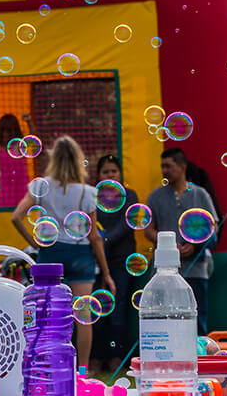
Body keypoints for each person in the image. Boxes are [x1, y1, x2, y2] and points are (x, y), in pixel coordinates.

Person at [11, 136, 115, 370]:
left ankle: (48, 366)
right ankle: (83, 371)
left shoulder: (40, 186)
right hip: (80, 254)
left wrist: (34, 243)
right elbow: (94, 236)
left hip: (50, 253)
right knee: (84, 315)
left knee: (47, 315)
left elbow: (16, 217)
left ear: (53, 159)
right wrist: (106, 273)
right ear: (79, 160)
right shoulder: (87, 192)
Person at [145, 147, 218, 336]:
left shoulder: (200, 194)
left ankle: (199, 354)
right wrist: (168, 244)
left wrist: (195, 245)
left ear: (182, 167)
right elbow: (148, 229)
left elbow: (213, 226)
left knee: (196, 314)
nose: (164, 170)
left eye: (168, 166)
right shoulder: (156, 196)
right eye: (162, 166)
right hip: (163, 270)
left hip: (196, 267)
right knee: (164, 316)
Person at [89, 154, 138, 373]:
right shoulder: (91, 197)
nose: (110, 175)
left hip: (120, 262)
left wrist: (103, 240)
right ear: (98, 176)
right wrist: (98, 244)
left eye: (113, 171)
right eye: (105, 171)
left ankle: (117, 357)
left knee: (117, 311)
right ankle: (97, 357)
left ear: (120, 173)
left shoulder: (130, 196)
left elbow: (127, 225)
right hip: (95, 263)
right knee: (94, 312)